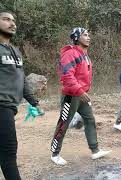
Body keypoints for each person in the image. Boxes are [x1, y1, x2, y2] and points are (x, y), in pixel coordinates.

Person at [50, 27, 110, 165]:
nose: (88, 37)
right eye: (85, 35)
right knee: (63, 124)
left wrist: (83, 92)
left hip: (81, 95)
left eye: (89, 35)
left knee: (90, 120)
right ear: (77, 37)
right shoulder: (70, 54)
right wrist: (79, 91)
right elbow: (67, 75)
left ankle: (95, 150)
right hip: (71, 96)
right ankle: (55, 153)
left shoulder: (85, 55)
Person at [0, 10, 40, 179]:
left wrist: (34, 101)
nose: (12, 23)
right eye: (6, 19)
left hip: (9, 107)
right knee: (9, 152)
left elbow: (22, 79)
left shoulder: (16, 51)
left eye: (13, 20)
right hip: (1, 105)